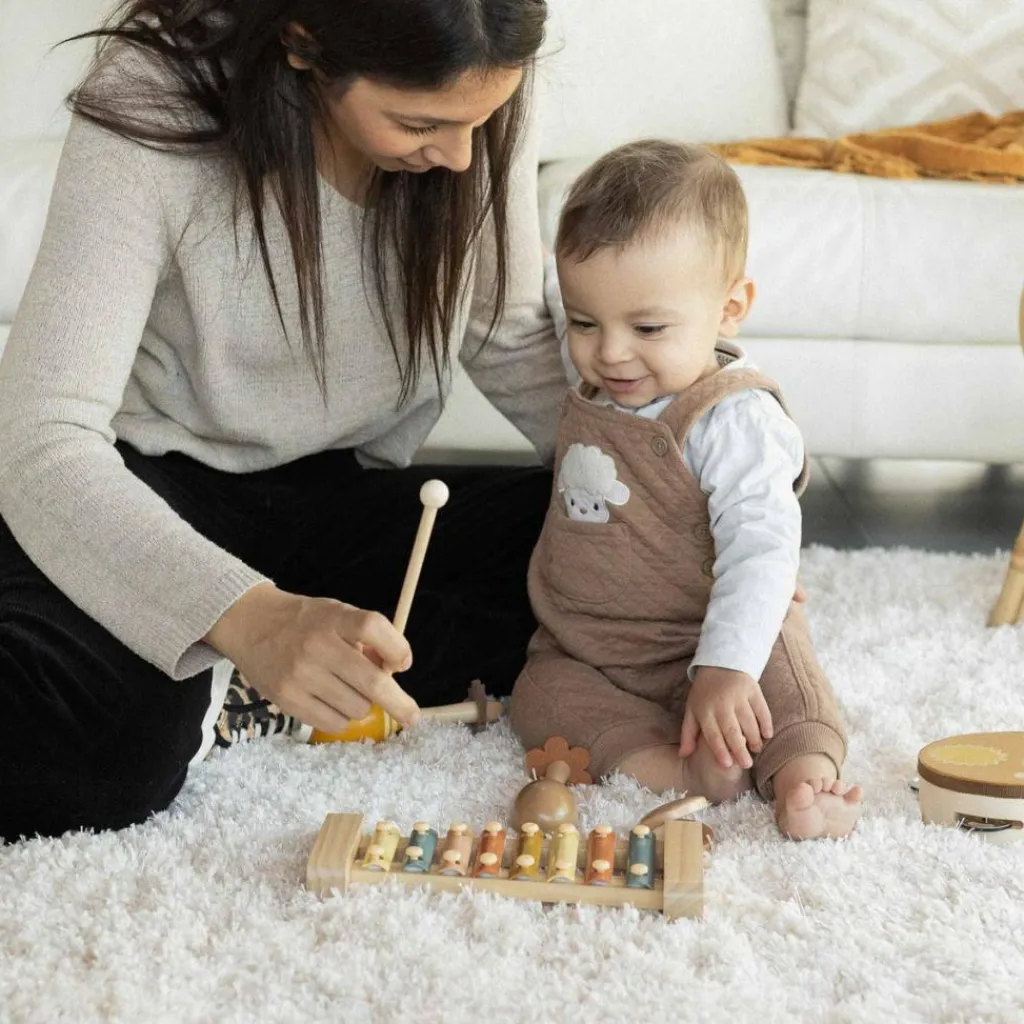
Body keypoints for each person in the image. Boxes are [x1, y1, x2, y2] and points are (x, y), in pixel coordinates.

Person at [0, 0, 566, 841]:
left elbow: (508, 330)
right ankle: (232, 665)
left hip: (336, 499)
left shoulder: (478, 102)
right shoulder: (156, 95)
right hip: (142, 491)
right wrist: (252, 618)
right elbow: (41, 440)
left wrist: (708, 485)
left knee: (609, 552)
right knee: (102, 756)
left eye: (478, 124)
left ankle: (240, 684)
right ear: (305, 44)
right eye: (419, 123)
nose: (459, 157)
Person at [511, 140, 863, 839]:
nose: (609, 352)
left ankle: (803, 779)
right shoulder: (604, 368)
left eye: (646, 327)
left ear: (730, 308)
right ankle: (674, 770)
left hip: (716, 631)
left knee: (784, 682)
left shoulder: (733, 420)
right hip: (592, 647)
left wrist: (727, 666)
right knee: (540, 699)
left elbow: (763, 548)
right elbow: (555, 293)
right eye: (584, 322)